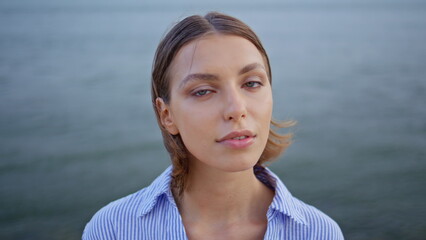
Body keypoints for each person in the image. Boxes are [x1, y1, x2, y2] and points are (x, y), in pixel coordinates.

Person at [82, 12, 344, 240]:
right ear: (166, 115)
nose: (236, 109)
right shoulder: (113, 229)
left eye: (252, 83)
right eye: (204, 91)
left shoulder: (318, 232)